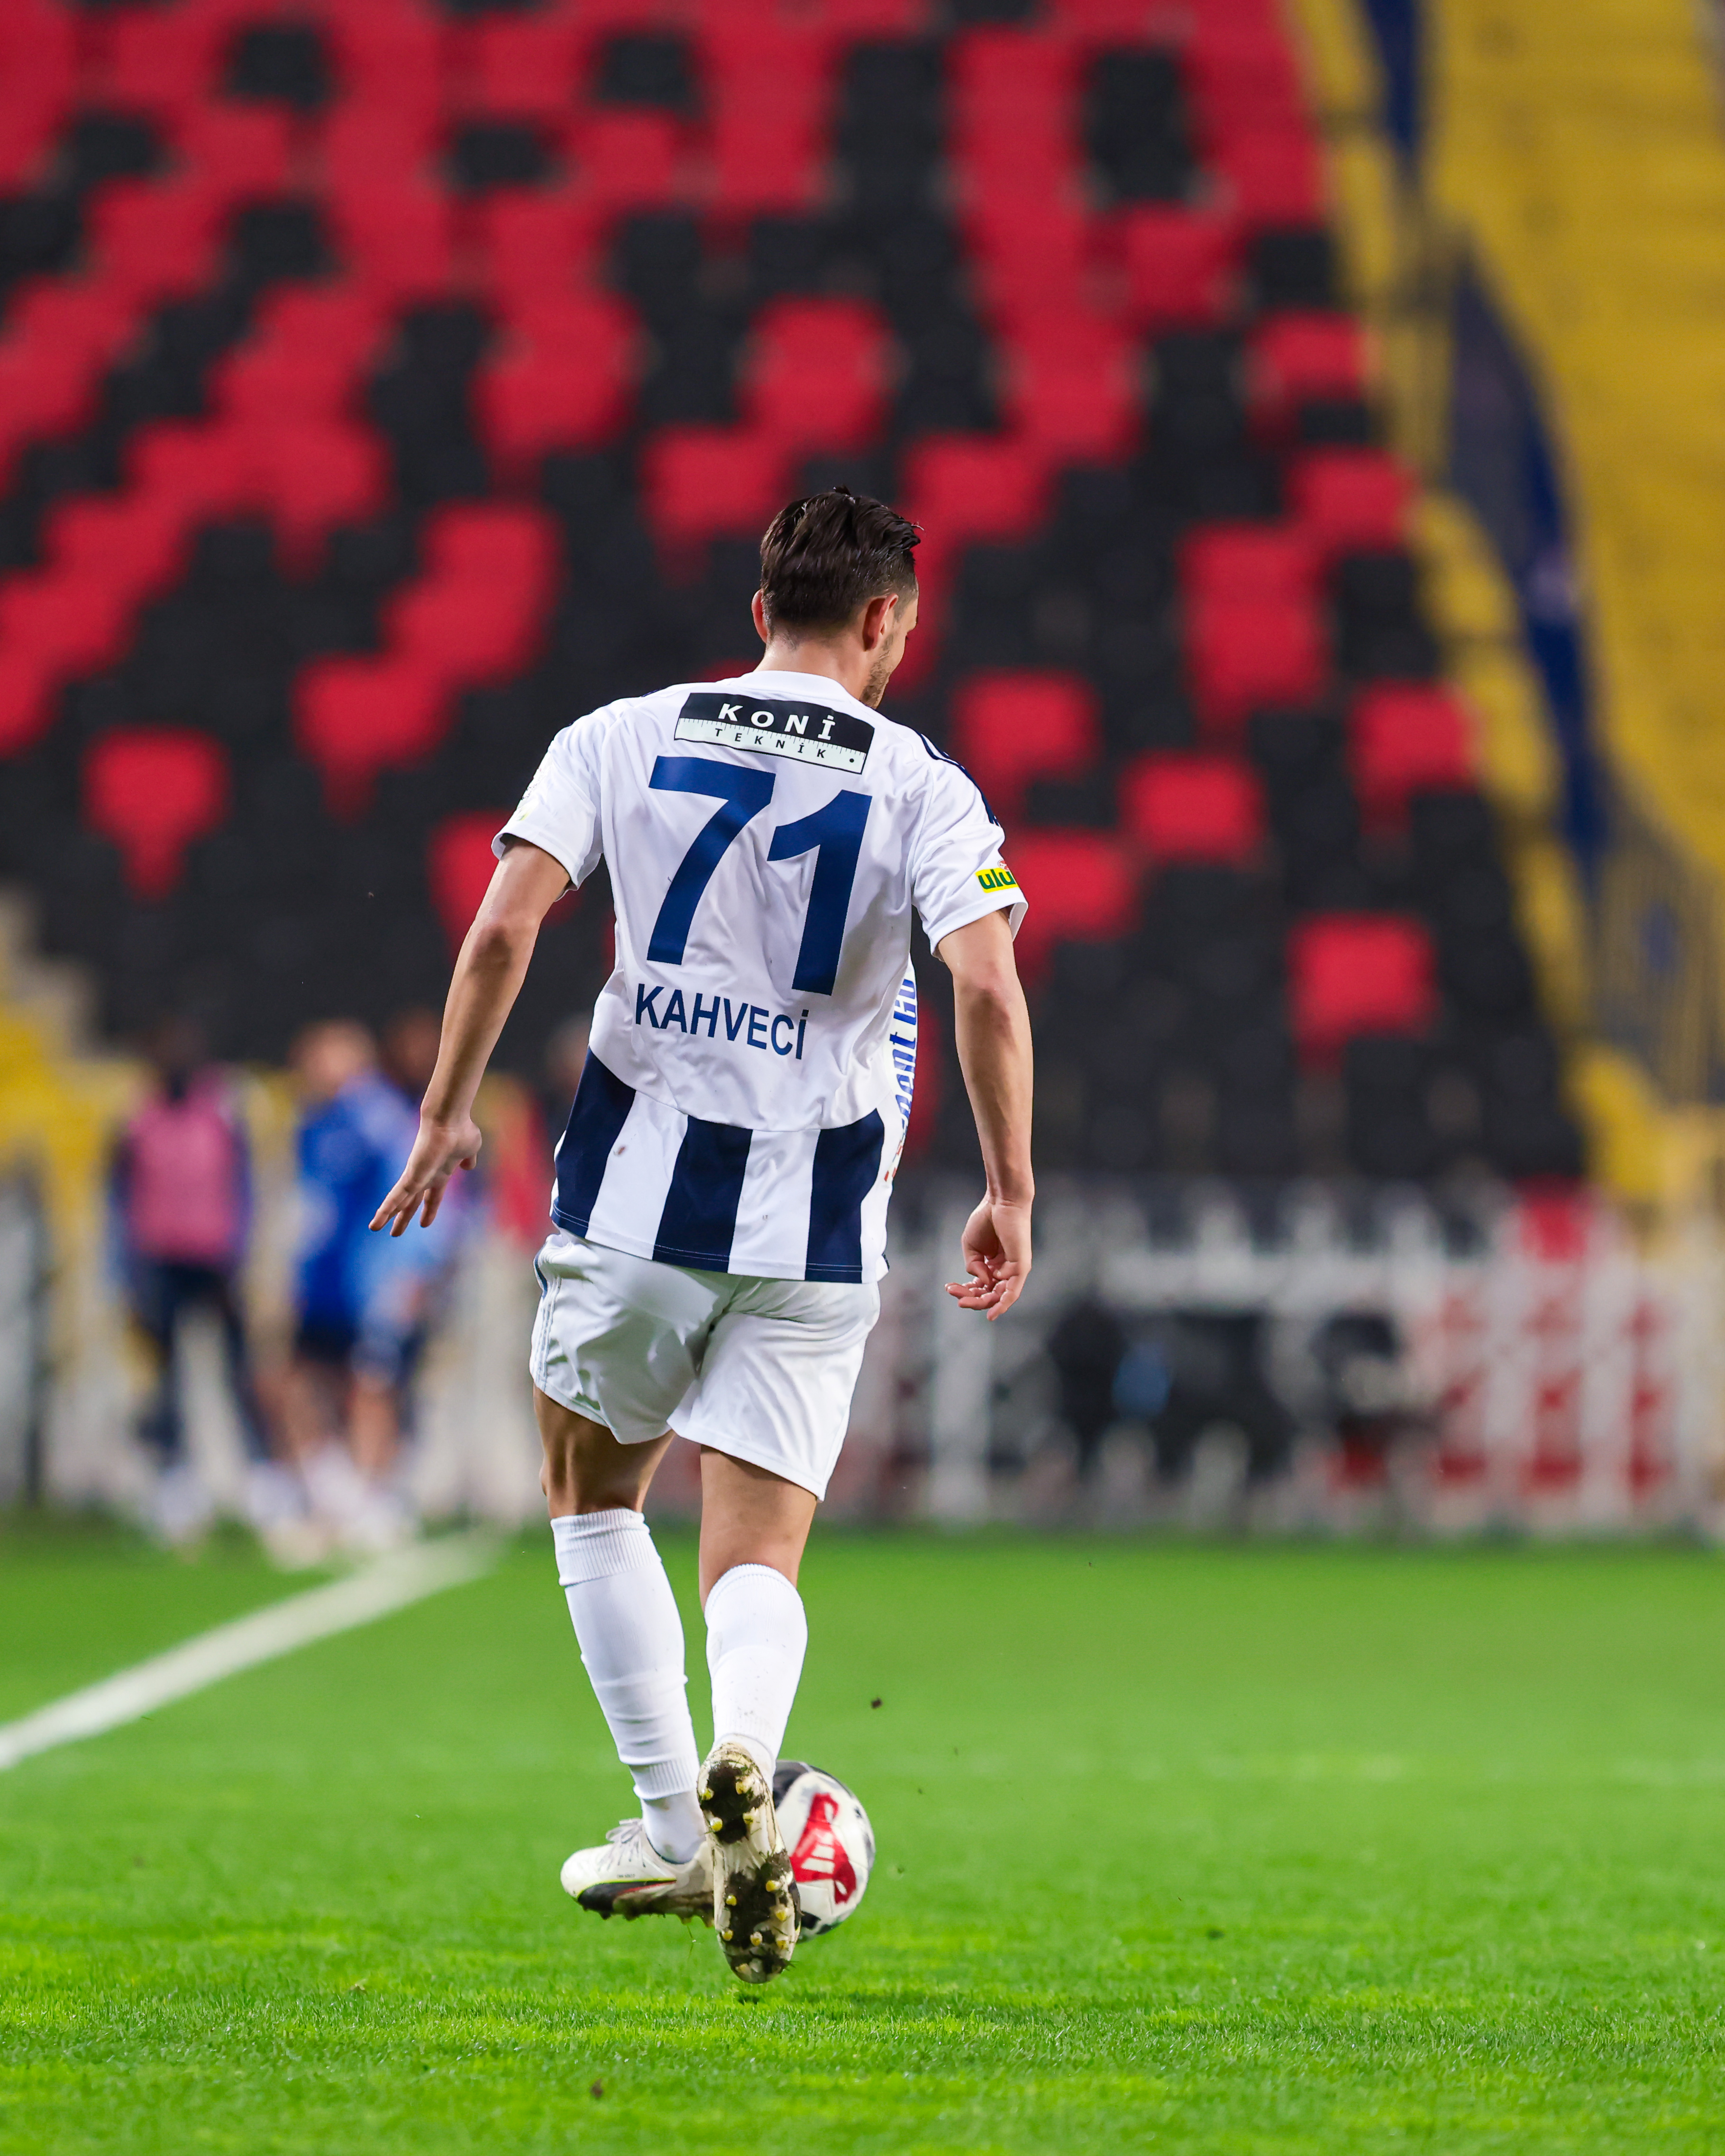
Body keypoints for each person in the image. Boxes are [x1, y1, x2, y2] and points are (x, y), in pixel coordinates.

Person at [371, 487, 1035, 1985]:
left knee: (590, 1493)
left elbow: (504, 925)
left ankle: (678, 1816)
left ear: (759, 611)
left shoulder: (617, 734)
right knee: (758, 1548)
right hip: (815, 1221)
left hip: (632, 1199)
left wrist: (448, 1109)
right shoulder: (922, 784)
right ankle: (746, 1752)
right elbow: (987, 987)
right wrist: (1010, 1184)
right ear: (882, 622)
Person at [113, 1017, 284, 1541]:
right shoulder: (137, 1117)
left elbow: (245, 1188)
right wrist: (124, 1273)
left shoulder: (224, 1111)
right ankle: (175, 1482)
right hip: (158, 1261)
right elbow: (118, 1199)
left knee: (240, 1373)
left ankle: (262, 1478)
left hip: (216, 1260)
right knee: (166, 1382)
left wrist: (242, 1257)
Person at [284, 1019, 422, 1546]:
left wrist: (408, 1271)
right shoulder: (313, 1122)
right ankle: (330, 1493)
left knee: (370, 1387)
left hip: (370, 1281)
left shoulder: (378, 1118)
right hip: (323, 1281)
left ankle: (370, 1497)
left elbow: (410, 1191)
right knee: (303, 1383)